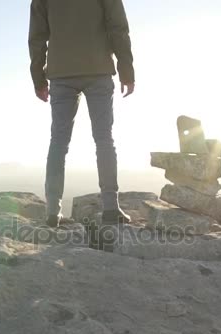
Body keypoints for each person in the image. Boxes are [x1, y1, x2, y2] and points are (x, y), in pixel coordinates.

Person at [29, 0, 135, 227]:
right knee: (104, 140)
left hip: (61, 72)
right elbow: (118, 27)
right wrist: (126, 69)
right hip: (98, 69)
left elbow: (37, 37)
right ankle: (110, 208)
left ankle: (51, 212)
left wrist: (38, 78)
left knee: (58, 142)